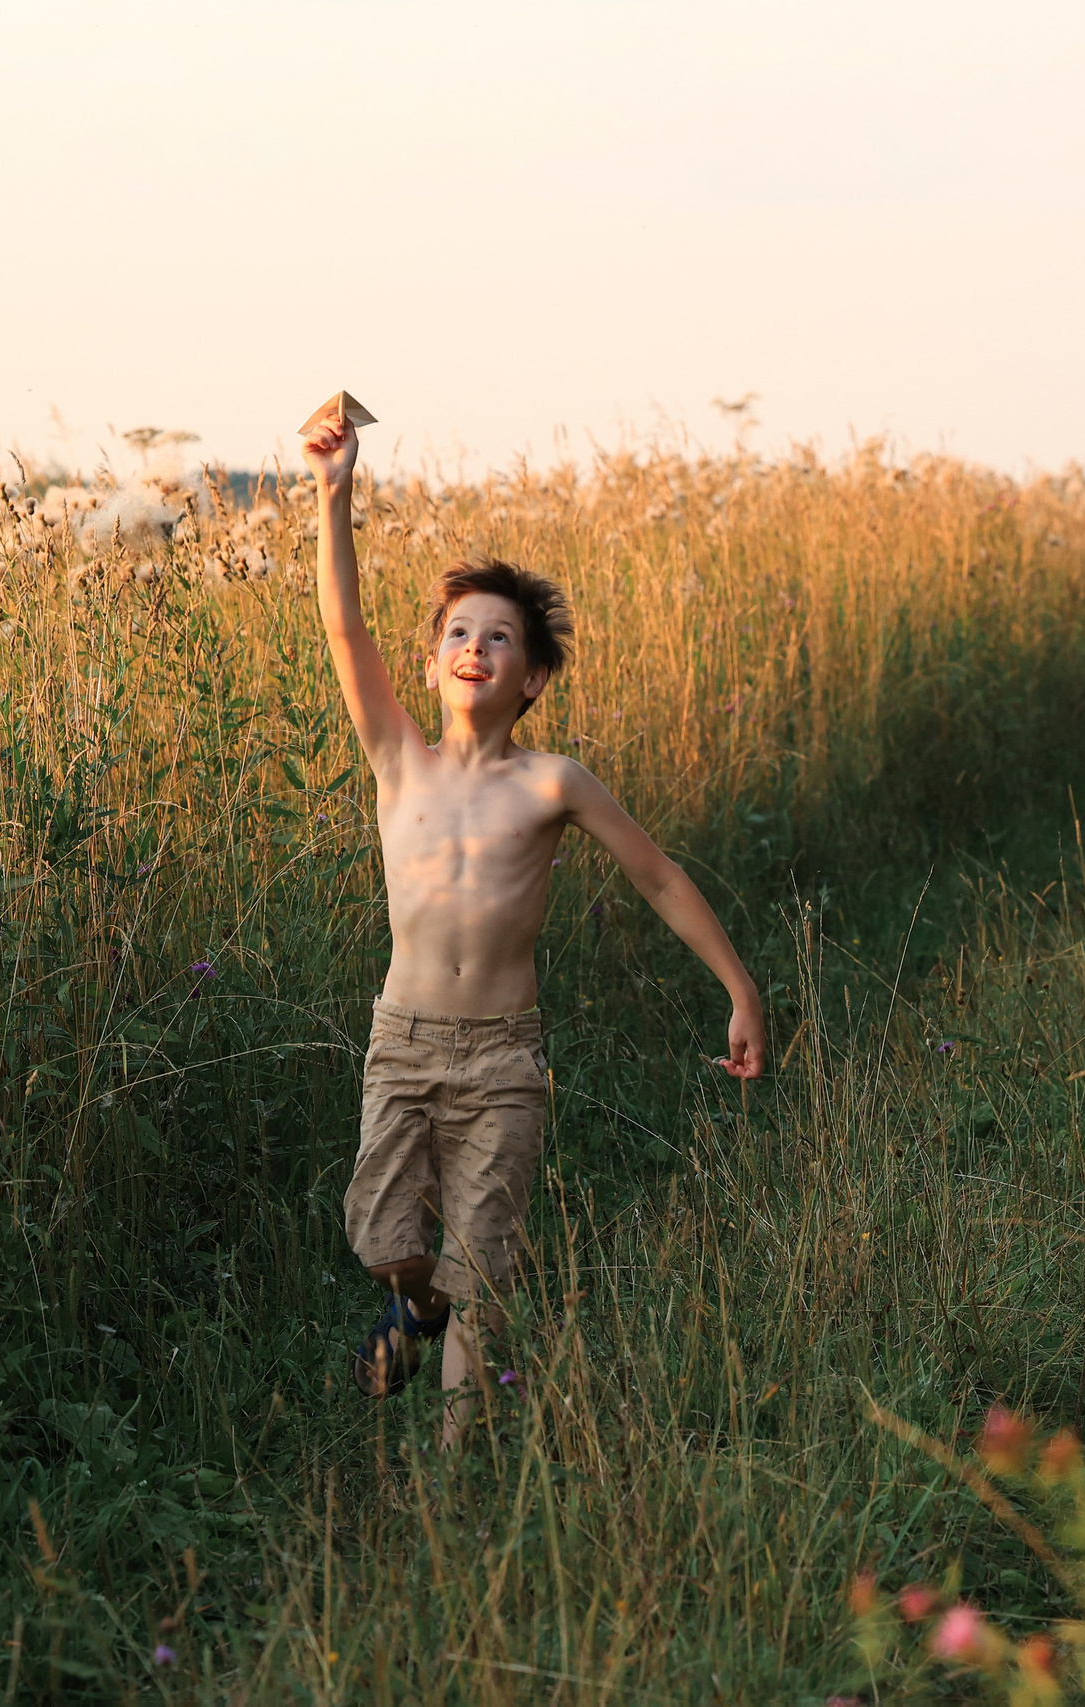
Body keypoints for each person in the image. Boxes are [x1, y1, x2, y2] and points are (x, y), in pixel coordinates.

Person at [300, 404, 766, 1440]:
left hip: (504, 1056)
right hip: (404, 1043)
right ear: (430, 666)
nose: (474, 647)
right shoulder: (399, 761)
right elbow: (343, 627)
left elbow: (656, 877)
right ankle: (409, 1304)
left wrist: (739, 989)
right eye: (458, 634)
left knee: (481, 1275)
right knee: (386, 1240)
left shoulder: (552, 784)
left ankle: (454, 1478)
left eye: (499, 637)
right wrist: (334, 492)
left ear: (532, 676)